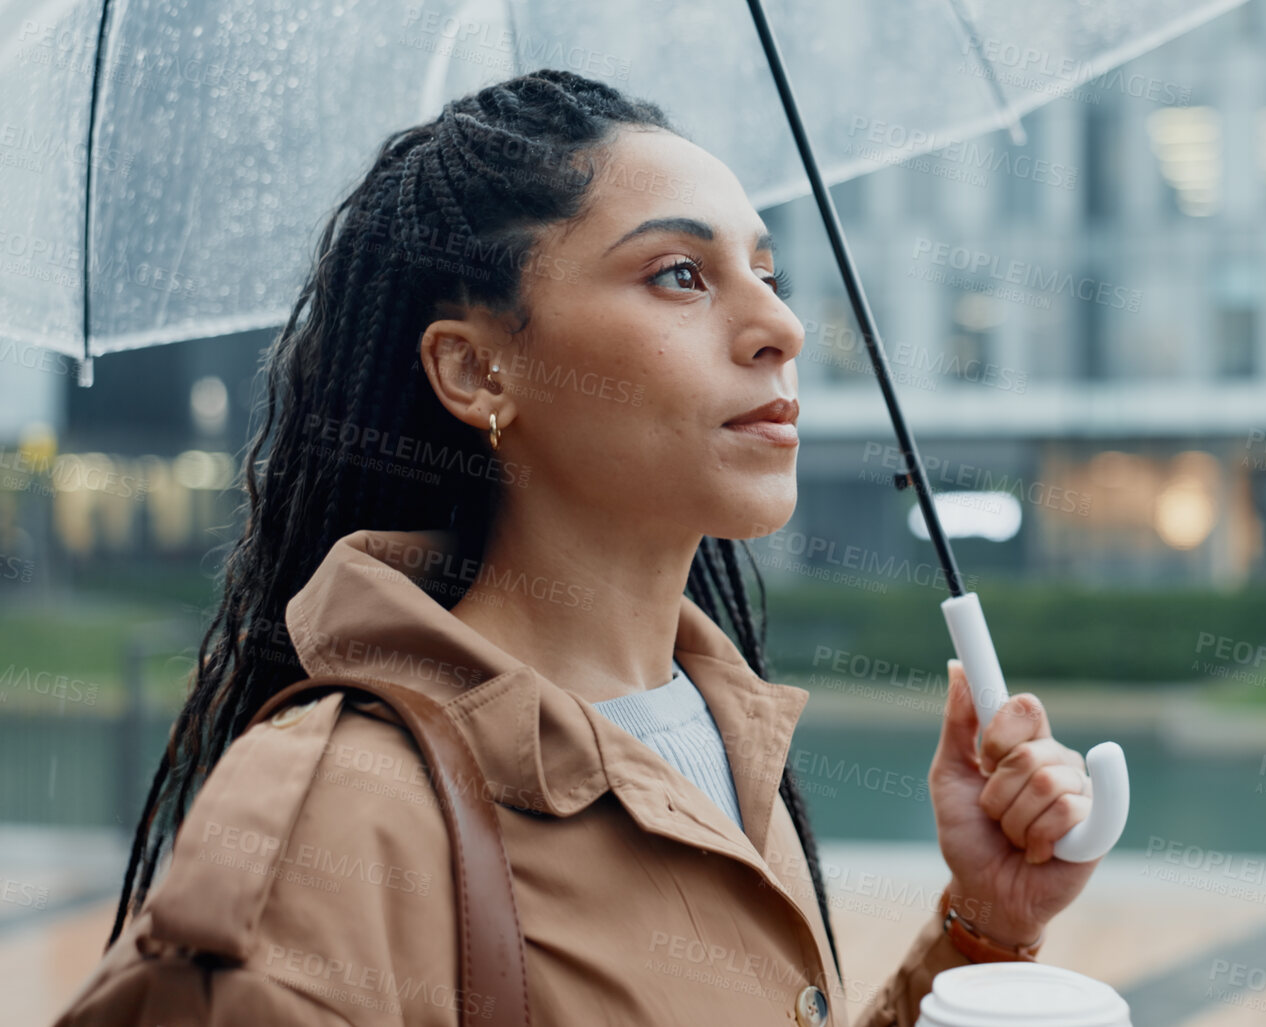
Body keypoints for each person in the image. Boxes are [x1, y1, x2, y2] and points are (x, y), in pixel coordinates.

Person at [55, 69, 1101, 1025]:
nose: (778, 324)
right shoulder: (338, 824)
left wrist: (982, 924)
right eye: (681, 274)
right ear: (473, 371)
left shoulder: (725, 738)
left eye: (765, 269)